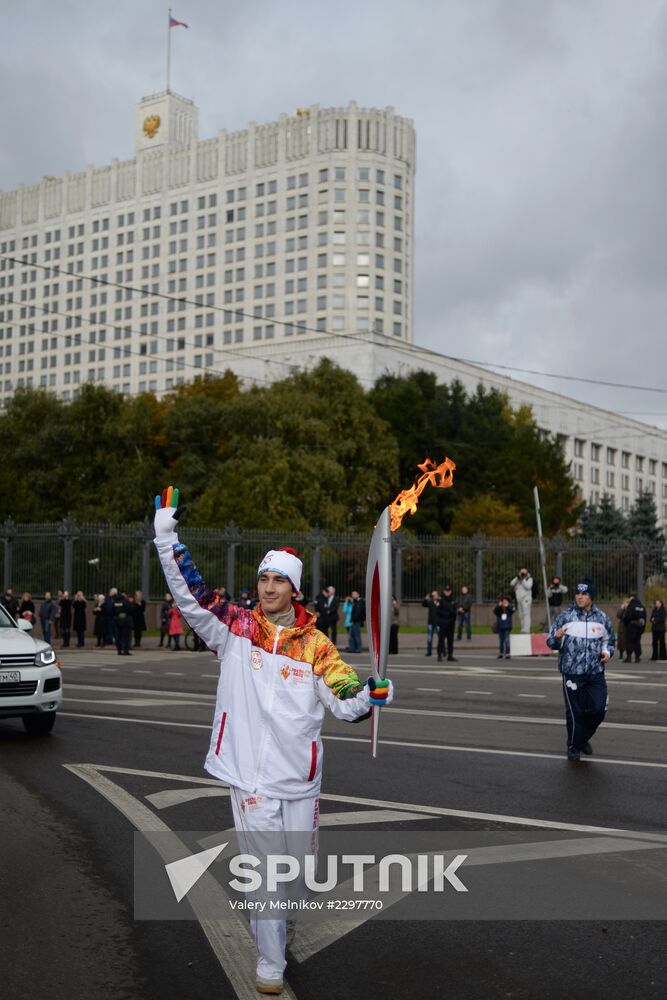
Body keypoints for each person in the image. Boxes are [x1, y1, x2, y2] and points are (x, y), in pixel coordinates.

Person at [153, 487, 393, 996]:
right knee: (267, 874)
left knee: (296, 876)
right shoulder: (234, 628)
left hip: (300, 780)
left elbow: (345, 698)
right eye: (262, 577)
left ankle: (280, 923)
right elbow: (189, 592)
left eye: (277, 579)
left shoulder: (317, 646)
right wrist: (166, 536)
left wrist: (371, 694)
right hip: (250, 777)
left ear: (295, 589)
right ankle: (269, 961)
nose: (267, 586)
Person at [547, 578, 615, 761]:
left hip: (595, 673)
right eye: (578, 593)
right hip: (572, 672)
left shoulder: (602, 618)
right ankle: (574, 746)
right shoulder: (565, 617)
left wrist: (607, 652)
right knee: (575, 712)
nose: (580, 596)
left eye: (584, 594)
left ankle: (581, 737)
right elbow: (550, 642)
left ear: (591, 596)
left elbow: (609, 641)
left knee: (599, 710)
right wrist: (556, 637)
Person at [436, 583, 457, 662]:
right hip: (443, 622)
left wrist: (453, 619)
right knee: (441, 640)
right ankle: (439, 655)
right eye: (446, 591)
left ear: (451, 591)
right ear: (443, 591)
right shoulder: (440, 600)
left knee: (450, 640)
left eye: (449, 591)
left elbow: (455, 611)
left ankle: (450, 655)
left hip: (451, 623)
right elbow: (438, 611)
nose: (447, 592)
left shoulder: (453, 600)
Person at [623, 594, 646, 663]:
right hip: (639, 627)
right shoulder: (642, 607)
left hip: (631, 626)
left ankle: (629, 657)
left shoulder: (631, 606)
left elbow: (627, 616)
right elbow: (644, 618)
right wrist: (642, 628)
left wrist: (627, 624)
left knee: (630, 642)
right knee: (637, 642)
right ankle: (637, 657)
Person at [510, 568, 534, 634]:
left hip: (526, 598)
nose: (522, 574)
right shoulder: (517, 579)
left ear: (527, 573)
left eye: (524, 572)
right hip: (519, 599)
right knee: (521, 615)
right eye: (521, 572)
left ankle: (527, 629)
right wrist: (517, 577)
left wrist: (523, 579)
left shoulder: (529, 579)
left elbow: (528, 587)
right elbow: (511, 584)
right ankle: (523, 628)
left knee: (526, 614)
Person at [112, 589, 133, 656]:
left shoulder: (115, 601)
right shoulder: (126, 601)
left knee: (118, 636)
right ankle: (125, 650)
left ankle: (119, 650)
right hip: (126, 621)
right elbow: (130, 610)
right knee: (126, 636)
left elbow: (112, 610)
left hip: (117, 620)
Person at [422, 590, 440, 656]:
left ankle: (443, 651)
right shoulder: (430, 602)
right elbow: (423, 605)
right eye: (432, 595)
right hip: (431, 622)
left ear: (437, 595)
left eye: (435, 595)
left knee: (440, 637)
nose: (433, 596)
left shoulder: (440, 601)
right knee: (429, 638)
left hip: (438, 622)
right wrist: (425, 599)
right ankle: (429, 651)